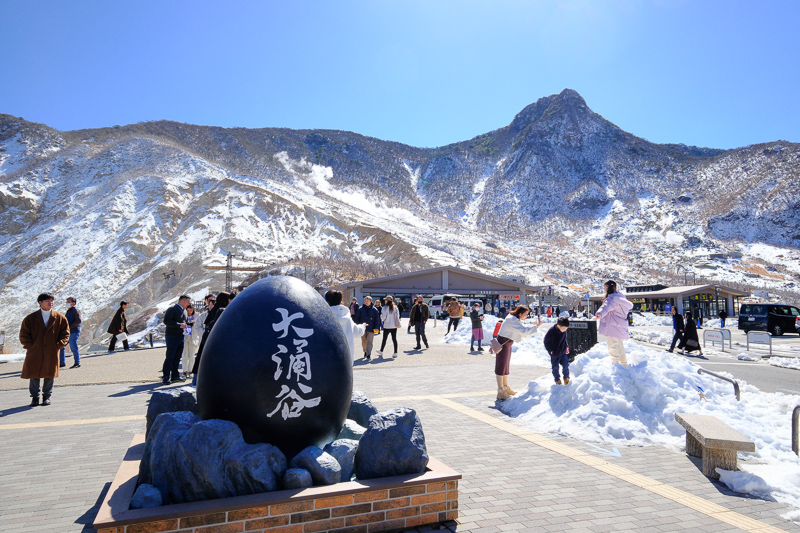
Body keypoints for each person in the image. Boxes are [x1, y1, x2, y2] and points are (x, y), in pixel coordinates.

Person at [20, 293, 70, 406]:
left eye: (52, 301)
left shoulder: (60, 317)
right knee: (34, 375)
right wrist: (30, 346)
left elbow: (65, 334)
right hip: (35, 351)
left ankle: (47, 396)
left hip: (52, 351)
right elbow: (24, 334)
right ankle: (35, 398)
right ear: (40, 303)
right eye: (47, 300)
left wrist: (58, 345)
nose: (50, 303)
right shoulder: (30, 318)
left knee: (49, 375)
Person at [495, 305, 541, 400]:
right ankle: (500, 391)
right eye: (525, 314)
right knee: (501, 366)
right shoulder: (512, 320)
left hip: (506, 344)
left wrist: (534, 327)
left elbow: (523, 332)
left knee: (505, 366)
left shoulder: (514, 319)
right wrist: (536, 326)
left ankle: (505, 387)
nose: (527, 316)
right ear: (520, 314)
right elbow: (524, 332)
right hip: (503, 344)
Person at [593, 280, 634, 367]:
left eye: (605, 288)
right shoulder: (621, 297)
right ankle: (624, 363)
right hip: (620, 325)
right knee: (620, 345)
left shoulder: (612, 299)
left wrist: (598, 315)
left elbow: (605, 308)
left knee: (612, 345)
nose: (605, 290)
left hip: (612, 325)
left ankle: (615, 363)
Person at [192, 292, 230, 386]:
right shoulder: (221, 310)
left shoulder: (215, 309)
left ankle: (196, 383)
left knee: (201, 362)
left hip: (207, 341)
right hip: (213, 342)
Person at [326, 290, 366, 360]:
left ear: (327, 301)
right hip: (346, 360)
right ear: (341, 300)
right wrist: (363, 326)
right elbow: (357, 332)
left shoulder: (324, 316)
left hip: (328, 358)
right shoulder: (346, 316)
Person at [162, 295, 189, 385]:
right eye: (187, 302)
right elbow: (166, 321)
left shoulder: (184, 311)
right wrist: (178, 325)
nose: (189, 304)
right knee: (170, 357)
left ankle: (175, 375)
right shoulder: (172, 309)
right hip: (172, 336)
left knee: (177, 357)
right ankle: (166, 376)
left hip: (181, 336)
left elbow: (184, 321)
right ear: (182, 301)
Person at [544, 317, 571, 385]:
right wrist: (550, 350)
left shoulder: (564, 331)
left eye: (566, 328)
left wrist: (566, 347)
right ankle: (557, 380)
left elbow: (564, 340)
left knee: (565, 366)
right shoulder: (551, 331)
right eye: (564, 328)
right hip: (555, 354)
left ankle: (566, 378)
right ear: (558, 326)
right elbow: (546, 341)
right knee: (555, 368)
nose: (565, 330)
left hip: (562, 352)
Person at [59, 297, 82, 369]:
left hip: (73, 332)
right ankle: (61, 363)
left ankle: (77, 363)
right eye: (67, 301)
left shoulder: (75, 311)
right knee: (61, 346)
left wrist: (69, 327)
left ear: (73, 303)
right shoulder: (69, 311)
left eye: (69, 302)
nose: (67, 303)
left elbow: (78, 321)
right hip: (68, 332)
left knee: (73, 348)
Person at [355, 296, 381, 360]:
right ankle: (365, 351)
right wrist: (357, 326)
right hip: (362, 328)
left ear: (370, 301)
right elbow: (357, 318)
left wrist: (377, 328)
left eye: (368, 301)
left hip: (371, 328)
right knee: (364, 341)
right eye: (365, 301)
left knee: (369, 341)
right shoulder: (360, 309)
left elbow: (377, 319)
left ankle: (369, 354)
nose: (366, 302)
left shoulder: (374, 309)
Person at [181, 304, 197, 379]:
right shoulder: (183, 317)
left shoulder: (197, 317)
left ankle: (190, 371)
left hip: (193, 337)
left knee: (192, 355)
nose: (189, 312)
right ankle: (184, 371)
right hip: (185, 336)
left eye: (191, 310)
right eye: (188, 310)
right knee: (184, 355)